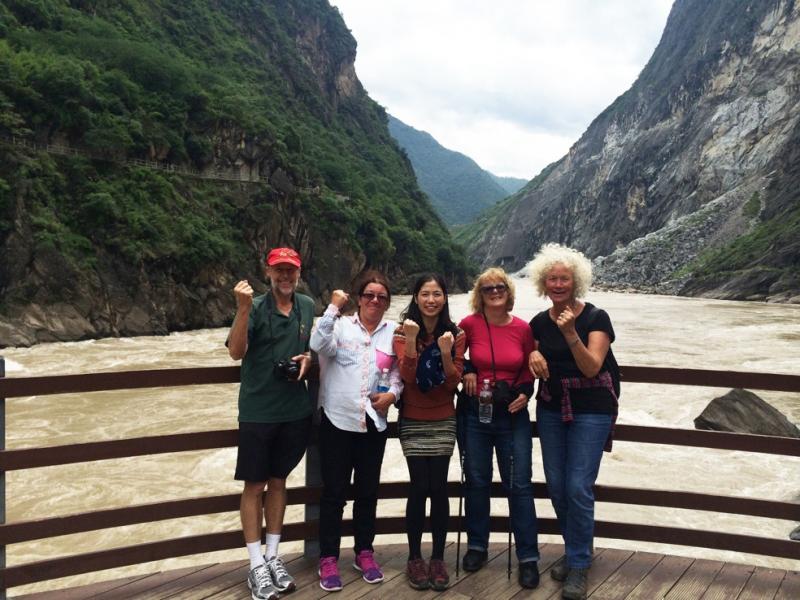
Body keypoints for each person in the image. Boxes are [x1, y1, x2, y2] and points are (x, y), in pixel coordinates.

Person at [527, 243, 618, 600]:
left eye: (564, 278)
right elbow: (528, 354)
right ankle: (577, 549)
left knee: (578, 486)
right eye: (552, 279)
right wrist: (532, 354)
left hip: (592, 408)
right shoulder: (538, 322)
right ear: (543, 283)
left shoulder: (596, 318)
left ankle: (578, 563)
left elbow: (592, 366)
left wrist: (570, 333)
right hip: (551, 407)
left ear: (576, 281)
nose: (558, 284)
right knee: (557, 484)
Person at [227, 247, 315, 600]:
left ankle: (273, 557)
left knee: (279, 481)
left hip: (295, 411)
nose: (285, 276)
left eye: (290, 270)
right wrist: (242, 309)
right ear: (268, 272)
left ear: (299, 272)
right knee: (254, 485)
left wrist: (308, 358)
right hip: (258, 411)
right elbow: (236, 351)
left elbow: (311, 347)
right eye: (279, 270)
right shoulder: (255, 306)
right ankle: (255, 565)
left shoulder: (307, 305)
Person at [310, 270, 402, 592]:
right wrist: (333, 307)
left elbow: (397, 373)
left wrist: (393, 395)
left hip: (373, 423)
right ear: (359, 298)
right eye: (369, 295)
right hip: (338, 420)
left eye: (381, 297)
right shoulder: (339, 326)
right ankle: (328, 558)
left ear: (387, 302)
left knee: (367, 492)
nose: (375, 300)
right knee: (334, 493)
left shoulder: (394, 333)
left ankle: (364, 552)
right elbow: (317, 343)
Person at [457, 267, 540, 589]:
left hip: (512, 415)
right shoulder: (469, 324)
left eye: (500, 286)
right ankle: (477, 547)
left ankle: (528, 557)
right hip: (476, 413)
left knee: (519, 484)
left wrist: (525, 392)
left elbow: (528, 369)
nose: (494, 291)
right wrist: (467, 369)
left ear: (508, 291)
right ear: (479, 294)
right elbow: (455, 355)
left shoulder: (522, 329)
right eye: (488, 288)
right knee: (477, 481)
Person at [392, 274, 466, 591]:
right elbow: (408, 377)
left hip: (443, 418)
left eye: (437, 294)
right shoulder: (401, 331)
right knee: (418, 486)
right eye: (425, 294)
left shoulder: (456, 334)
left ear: (445, 298)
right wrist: (411, 340)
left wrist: (446, 353)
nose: (431, 300)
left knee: (438, 488)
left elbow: (452, 383)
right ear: (416, 297)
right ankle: (414, 557)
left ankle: (437, 558)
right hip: (412, 418)